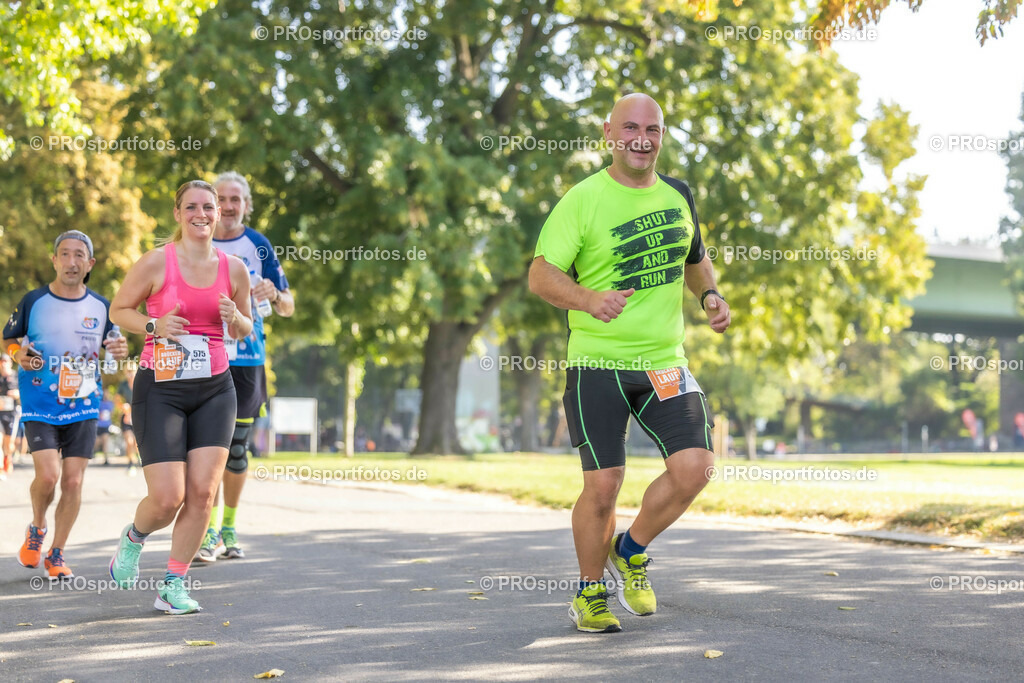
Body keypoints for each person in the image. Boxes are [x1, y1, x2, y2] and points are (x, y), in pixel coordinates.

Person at [528, 94, 731, 633]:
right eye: (631, 128)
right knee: (604, 485)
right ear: (608, 133)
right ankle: (590, 593)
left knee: (696, 467)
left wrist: (710, 296)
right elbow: (541, 275)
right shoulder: (583, 199)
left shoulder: (678, 195)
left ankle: (631, 548)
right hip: (597, 364)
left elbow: (694, 257)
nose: (642, 139)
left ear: (662, 135)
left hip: (664, 361)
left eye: (653, 129)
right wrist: (589, 299)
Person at [108, 180, 253, 614]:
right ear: (177, 213)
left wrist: (235, 317)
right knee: (167, 498)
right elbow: (119, 310)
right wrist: (154, 326)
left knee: (203, 493)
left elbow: (246, 327)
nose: (201, 214)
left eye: (208, 206)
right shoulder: (157, 262)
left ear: (218, 212)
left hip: (215, 389)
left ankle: (173, 584)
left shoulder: (234, 269)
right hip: (161, 388)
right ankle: (134, 537)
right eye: (191, 207)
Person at [2, 230, 130, 578]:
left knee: (72, 482)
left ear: (90, 264)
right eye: (65, 254)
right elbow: (8, 338)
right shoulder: (34, 301)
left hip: (84, 402)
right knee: (48, 476)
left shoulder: (102, 307)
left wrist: (120, 351)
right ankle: (37, 527)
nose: (71, 262)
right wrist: (16, 354)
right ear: (54, 260)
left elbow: (115, 351)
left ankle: (56, 554)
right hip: (39, 399)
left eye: (79, 255)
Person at [194, 171, 293, 562]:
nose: (229, 206)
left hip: (247, 358)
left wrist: (276, 294)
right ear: (212, 206)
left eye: (236, 199)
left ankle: (228, 527)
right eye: (221, 199)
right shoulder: (195, 242)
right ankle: (207, 531)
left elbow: (288, 307)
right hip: (203, 356)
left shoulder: (258, 246)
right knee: (206, 449)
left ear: (247, 205)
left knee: (236, 449)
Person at [117, 365, 140, 472]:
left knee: (137, 443)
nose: (130, 374)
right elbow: (117, 399)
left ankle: (138, 458)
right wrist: (123, 406)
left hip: (139, 415)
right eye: (128, 372)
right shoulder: (123, 385)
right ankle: (131, 462)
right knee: (129, 441)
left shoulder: (140, 383)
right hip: (127, 416)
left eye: (132, 371)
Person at [1, 353, 19, 477]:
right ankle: (1, 467)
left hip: (12, 413)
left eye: (6, 361)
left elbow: (23, 392)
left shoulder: (16, 376)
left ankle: (8, 457)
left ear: (10, 363)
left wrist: (16, 393)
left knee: (9, 443)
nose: (3, 364)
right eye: (2, 361)